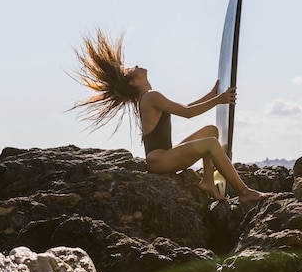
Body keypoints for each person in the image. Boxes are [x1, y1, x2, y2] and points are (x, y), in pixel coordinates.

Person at [71, 29, 271, 204]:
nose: (137, 65)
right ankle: (244, 192)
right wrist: (219, 100)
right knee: (210, 143)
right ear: (132, 82)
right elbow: (187, 113)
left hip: (164, 156)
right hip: (160, 161)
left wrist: (211, 96)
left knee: (211, 131)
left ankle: (208, 182)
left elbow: (185, 107)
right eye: (132, 69)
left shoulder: (149, 96)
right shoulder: (150, 97)